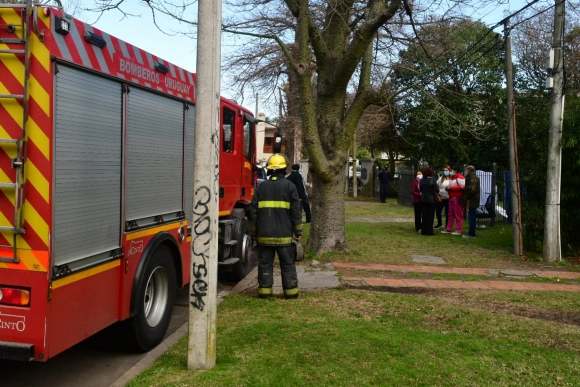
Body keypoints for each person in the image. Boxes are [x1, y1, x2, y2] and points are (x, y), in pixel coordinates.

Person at [249, 154, 303, 299]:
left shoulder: (261, 187)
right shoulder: (290, 187)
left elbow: (253, 211)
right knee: (287, 264)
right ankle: (290, 293)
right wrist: (298, 231)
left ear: (269, 170)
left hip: (265, 236)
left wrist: (254, 232)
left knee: (265, 264)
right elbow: (296, 212)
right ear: (284, 169)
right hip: (284, 236)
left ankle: (265, 292)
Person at [442, 165, 465, 235]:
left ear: (455, 170)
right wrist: (447, 188)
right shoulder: (452, 177)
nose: (450, 172)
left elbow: (462, 187)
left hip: (457, 197)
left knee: (458, 214)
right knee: (450, 214)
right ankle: (448, 228)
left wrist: (451, 188)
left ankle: (459, 230)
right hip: (451, 197)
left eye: (451, 170)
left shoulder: (460, 177)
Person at [419, 167, 439, 235]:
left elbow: (420, 189)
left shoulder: (422, 180)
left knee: (424, 215)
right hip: (431, 200)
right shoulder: (433, 180)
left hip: (423, 199)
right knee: (430, 215)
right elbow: (437, 189)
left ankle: (423, 230)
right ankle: (429, 231)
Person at [463, 165, 480, 239]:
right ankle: (471, 232)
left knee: (471, 218)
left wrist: (466, 195)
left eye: (467, 169)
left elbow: (472, 189)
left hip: (472, 200)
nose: (466, 171)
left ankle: (472, 234)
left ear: (469, 170)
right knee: (471, 217)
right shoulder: (470, 177)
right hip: (471, 199)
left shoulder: (473, 177)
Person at [435, 165, 451, 229]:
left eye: (446, 170)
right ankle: (439, 224)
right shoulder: (440, 178)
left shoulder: (451, 179)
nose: (445, 171)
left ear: (449, 171)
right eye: (444, 170)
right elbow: (436, 187)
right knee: (438, 211)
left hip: (448, 198)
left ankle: (447, 225)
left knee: (447, 213)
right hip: (441, 198)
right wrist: (438, 195)